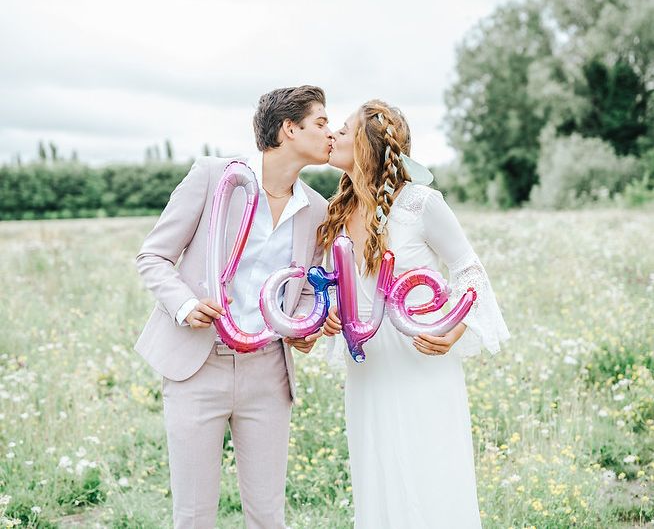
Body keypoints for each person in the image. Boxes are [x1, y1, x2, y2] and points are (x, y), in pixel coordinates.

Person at [134, 85, 333, 528]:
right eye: (321, 123)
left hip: (268, 373)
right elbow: (153, 256)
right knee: (194, 515)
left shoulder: (316, 210)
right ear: (289, 129)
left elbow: (302, 295)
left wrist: (307, 328)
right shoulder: (213, 176)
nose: (331, 133)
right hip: (197, 365)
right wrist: (185, 304)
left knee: (267, 515)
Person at [320, 99, 510, 528]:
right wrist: (332, 314)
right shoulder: (339, 210)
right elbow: (342, 287)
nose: (332, 134)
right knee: (380, 469)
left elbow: (470, 270)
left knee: (429, 468)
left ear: (368, 146)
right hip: (367, 365)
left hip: (419, 356)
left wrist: (455, 331)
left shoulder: (419, 204)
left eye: (344, 130)